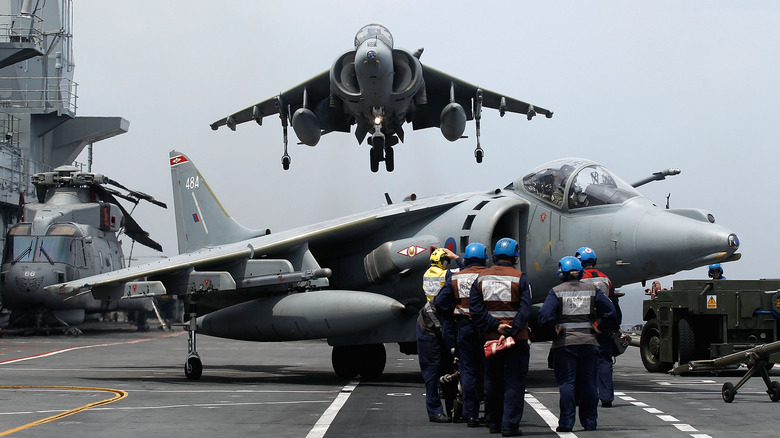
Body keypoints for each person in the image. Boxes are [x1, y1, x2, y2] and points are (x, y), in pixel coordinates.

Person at [539, 256, 616, 432]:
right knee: (589, 383)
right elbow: (610, 311)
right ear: (580, 272)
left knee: (567, 384)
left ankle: (566, 423)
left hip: (565, 344)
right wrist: (601, 328)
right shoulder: (592, 289)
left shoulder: (556, 291)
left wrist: (553, 333)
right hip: (589, 342)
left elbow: (544, 316)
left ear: (562, 274)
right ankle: (590, 423)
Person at [469, 238, 532, 437]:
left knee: (492, 381)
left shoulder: (480, 279)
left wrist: (496, 326)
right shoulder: (520, 278)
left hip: (491, 340)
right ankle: (510, 425)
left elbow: (476, 310)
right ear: (515, 257)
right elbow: (525, 309)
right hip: (516, 339)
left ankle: (494, 423)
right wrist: (512, 329)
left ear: (494, 255)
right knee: (514, 382)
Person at [434, 242, 488, 426]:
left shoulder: (456, 277)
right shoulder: (490, 276)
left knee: (468, 370)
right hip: (487, 328)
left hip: (464, 327)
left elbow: (440, 302)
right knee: (489, 370)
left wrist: (453, 315)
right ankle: (490, 414)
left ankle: (470, 414)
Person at [575, 246, 622, 408]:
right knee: (604, 361)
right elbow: (613, 304)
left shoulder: (579, 280)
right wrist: (616, 325)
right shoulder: (605, 279)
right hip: (604, 325)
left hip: (585, 326)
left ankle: (581, 397)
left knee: (582, 362)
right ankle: (607, 397)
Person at [416, 293, 453, 423]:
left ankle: (453, 411)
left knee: (450, 368)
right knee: (432, 370)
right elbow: (437, 317)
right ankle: (435, 412)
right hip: (429, 328)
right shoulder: (449, 292)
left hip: (445, 326)